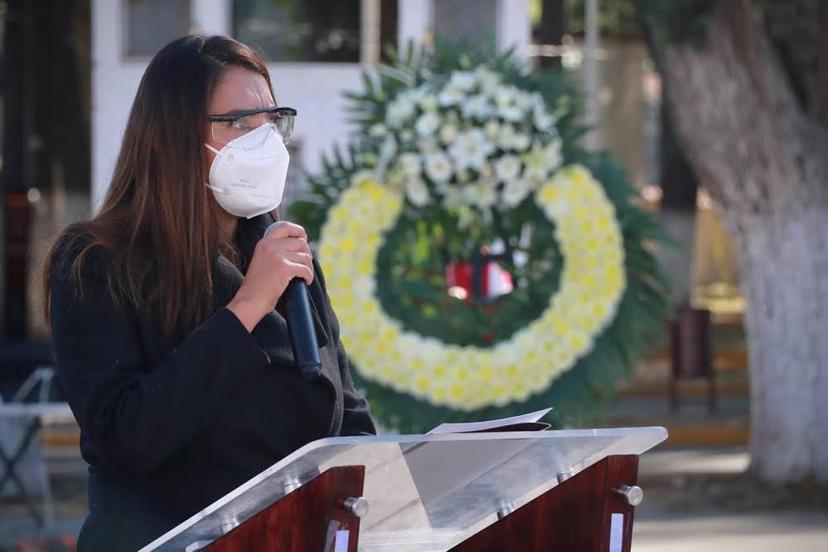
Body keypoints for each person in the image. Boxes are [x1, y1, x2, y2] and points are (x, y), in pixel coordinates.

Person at [43, 35, 375, 550]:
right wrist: (246, 307)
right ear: (173, 136)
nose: (264, 139)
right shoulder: (97, 261)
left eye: (272, 119)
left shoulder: (281, 253)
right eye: (240, 122)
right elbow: (125, 437)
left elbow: (349, 421)